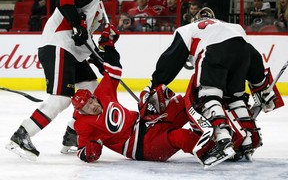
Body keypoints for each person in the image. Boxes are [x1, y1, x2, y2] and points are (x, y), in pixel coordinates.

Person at [6, 0, 116, 160]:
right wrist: (76, 25)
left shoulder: (96, 6)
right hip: (58, 46)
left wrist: (100, 61)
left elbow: (85, 40)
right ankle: (22, 135)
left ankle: (71, 136)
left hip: (72, 51)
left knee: (92, 90)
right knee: (61, 99)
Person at [141, 7, 277, 163]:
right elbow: (252, 55)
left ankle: (223, 139)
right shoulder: (231, 26)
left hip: (214, 51)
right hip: (242, 53)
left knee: (208, 96)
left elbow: (171, 60)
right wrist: (260, 84)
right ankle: (247, 141)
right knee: (235, 98)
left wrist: (155, 83)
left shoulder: (188, 28)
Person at [70, 39, 219, 169]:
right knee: (181, 137)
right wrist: (91, 150)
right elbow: (82, 152)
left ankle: (224, 122)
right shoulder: (83, 125)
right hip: (144, 146)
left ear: (94, 97)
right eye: (87, 108)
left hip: (148, 122)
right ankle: (215, 149)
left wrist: (108, 45)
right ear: (82, 112)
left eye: (91, 101)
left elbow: (114, 71)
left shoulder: (102, 94)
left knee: (188, 101)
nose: (92, 106)